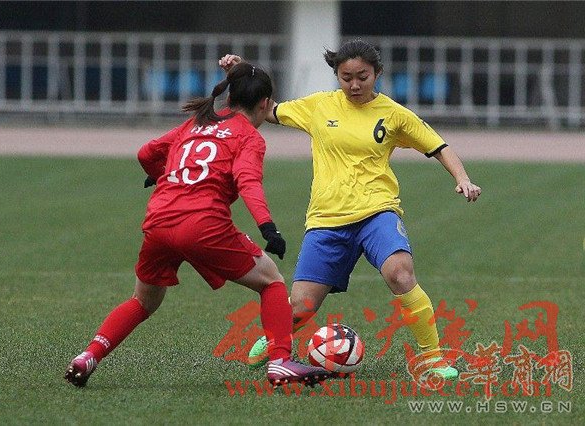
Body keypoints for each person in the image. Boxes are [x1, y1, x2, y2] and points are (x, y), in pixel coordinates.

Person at [220, 39, 482, 380]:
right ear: (337, 76)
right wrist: (242, 72)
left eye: (362, 77)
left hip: (377, 212)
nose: (355, 85)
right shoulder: (319, 106)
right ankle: (274, 339)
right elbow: (266, 110)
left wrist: (463, 179)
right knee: (301, 307)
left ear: (377, 74)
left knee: (400, 273)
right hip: (327, 219)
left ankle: (432, 360)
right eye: (346, 78)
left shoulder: (394, 114)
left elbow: (438, 146)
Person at [64, 62, 331, 388]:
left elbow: (146, 153)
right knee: (271, 281)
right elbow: (247, 181)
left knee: (143, 301)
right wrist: (267, 227)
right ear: (265, 104)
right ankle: (280, 362)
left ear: (229, 98)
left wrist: (161, 173)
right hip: (203, 224)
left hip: (159, 221)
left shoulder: (197, 122)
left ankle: (88, 356)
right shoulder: (249, 136)